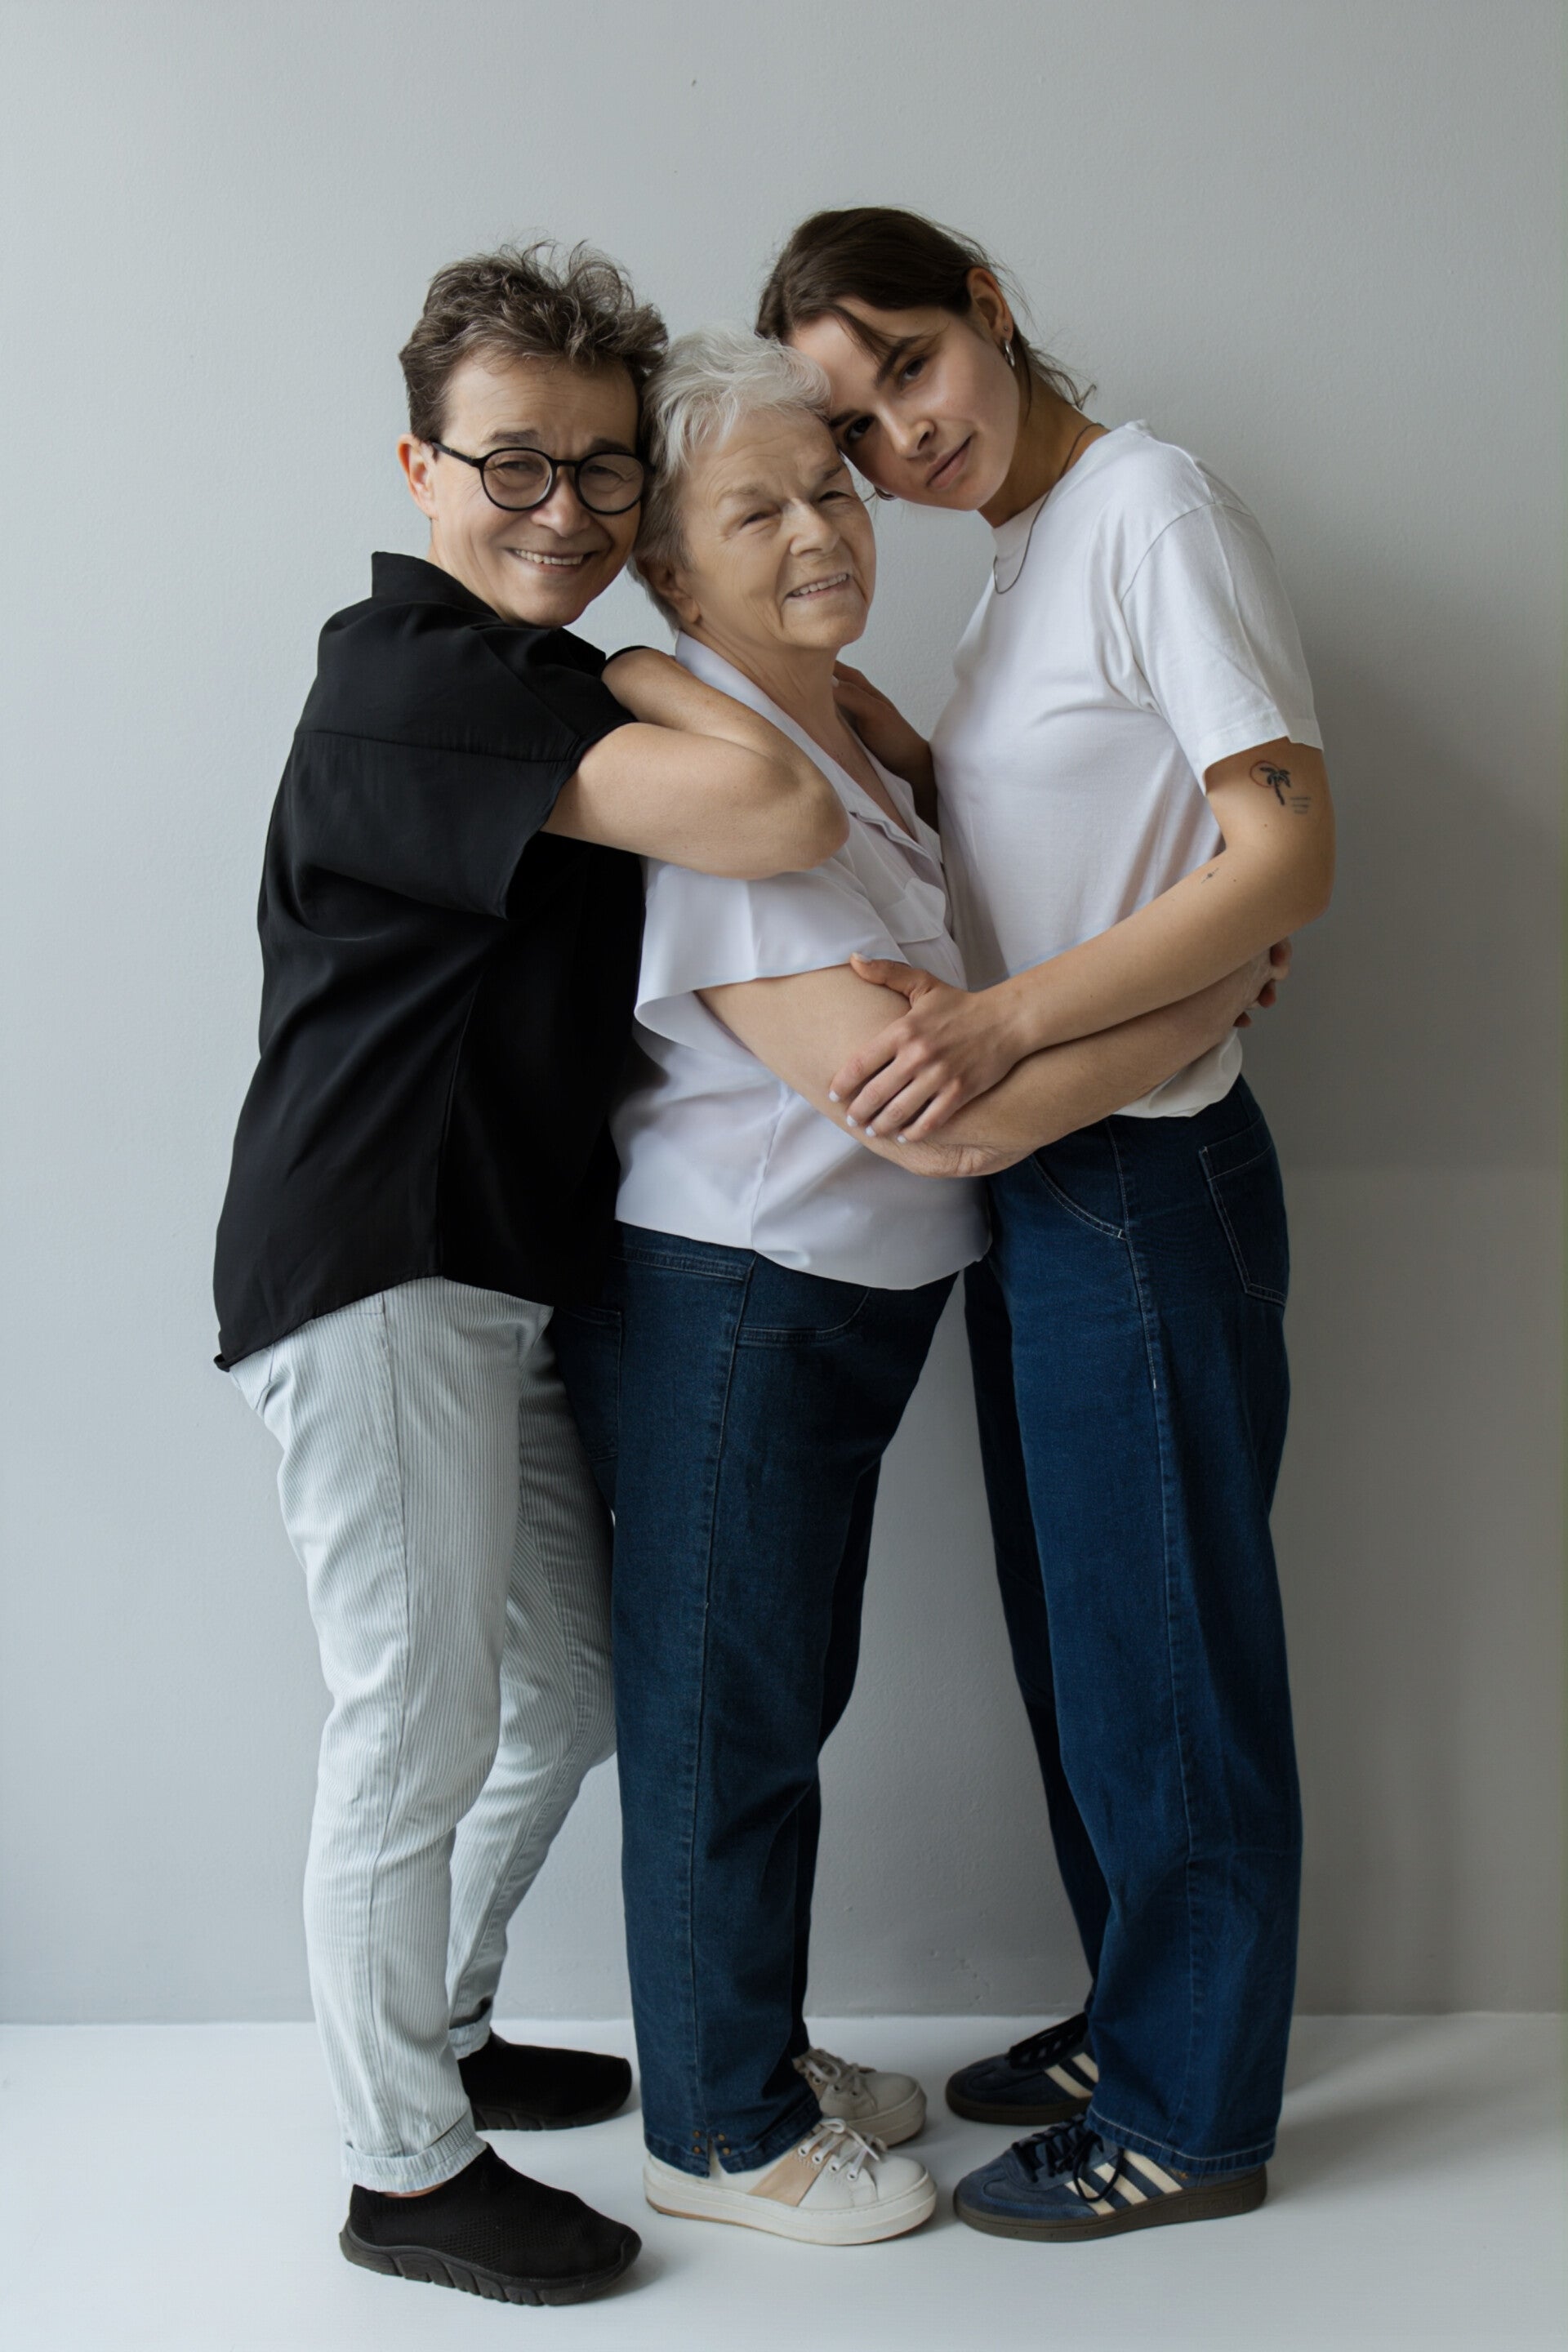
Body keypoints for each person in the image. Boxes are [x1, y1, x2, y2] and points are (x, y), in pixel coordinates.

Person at [551, 325, 1283, 2250]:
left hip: (841, 1309)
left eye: (834, 488)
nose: (822, 528)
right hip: (744, 1296)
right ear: (670, 564)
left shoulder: (838, 740)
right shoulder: (715, 779)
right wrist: (1215, 988)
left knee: (785, 1694)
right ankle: (717, 2130)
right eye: (757, 512)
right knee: (727, 1713)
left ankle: (755, 2062)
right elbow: (941, 1122)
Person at [213, 244, 847, 2309]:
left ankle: (447, 2027)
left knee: (562, 1692)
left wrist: (628, 656)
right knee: (411, 1719)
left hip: (493, 1273)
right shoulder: (415, 677)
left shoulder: (527, 682)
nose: (560, 512)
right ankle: (402, 2168)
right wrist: (664, 642)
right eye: (514, 465)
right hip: (378, 1262)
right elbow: (775, 808)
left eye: (602, 472)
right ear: (420, 467)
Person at [760, 206, 1334, 2242]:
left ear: (990, 308)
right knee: (1095, 1653)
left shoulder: (1149, 508)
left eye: (910, 367)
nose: (901, 440)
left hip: (1145, 1168)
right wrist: (896, 753)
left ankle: (1190, 2117)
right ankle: (1141, 2014)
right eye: (854, 426)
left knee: (1165, 1663)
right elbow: (1086, 831)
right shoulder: (1027, 559)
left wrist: (1004, 1021)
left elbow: (1283, 851)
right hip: (1059, 1171)